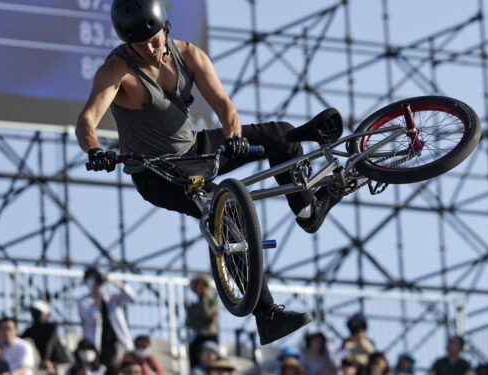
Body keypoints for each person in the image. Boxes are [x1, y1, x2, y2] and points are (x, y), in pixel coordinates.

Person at [75, 0, 343, 346]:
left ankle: (308, 209)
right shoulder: (118, 70)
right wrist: (95, 150)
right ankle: (267, 315)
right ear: (127, 44)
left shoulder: (190, 55)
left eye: (155, 40)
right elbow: (87, 120)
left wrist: (233, 139)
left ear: (165, 28)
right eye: (140, 46)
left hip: (195, 149)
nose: (151, 49)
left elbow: (225, 107)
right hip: (158, 174)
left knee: (281, 136)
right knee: (224, 212)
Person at [78, 267, 136, 372]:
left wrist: (113, 281)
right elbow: (93, 316)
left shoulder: (111, 297)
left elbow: (130, 295)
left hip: (114, 342)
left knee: (115, 368)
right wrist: (97, 296)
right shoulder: (84, 301)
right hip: (96, 344)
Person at [21, 300, 70, 374]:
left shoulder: (51, 327)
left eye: (37, 312)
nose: (34, 315)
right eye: (33, 312)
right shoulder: (30, 330)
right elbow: (20, 340)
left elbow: (50, 343)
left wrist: (46, 359)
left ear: (45, 314)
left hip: (59, 363)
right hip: (42, 365)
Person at [186, 274, 218, 369]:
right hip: (198, 337)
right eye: (198, 286)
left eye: (203, 285)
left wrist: (204, 299)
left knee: (212, 361)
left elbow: (210, 316)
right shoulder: (193, 306)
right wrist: (204, 321)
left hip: (211, 336)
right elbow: (190, 322)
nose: (201, 288)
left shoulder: (214, 302)